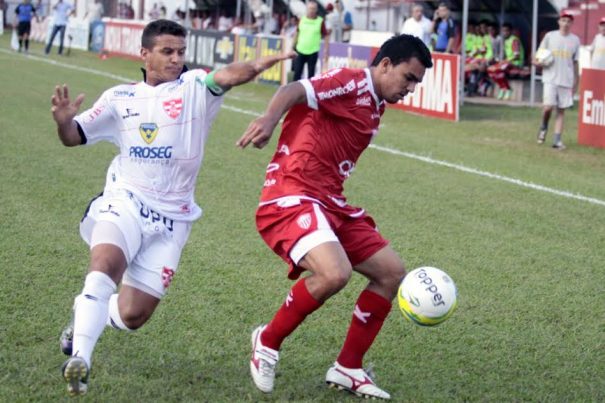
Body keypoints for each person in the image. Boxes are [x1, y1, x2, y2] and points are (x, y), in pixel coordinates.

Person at [52, 19, 294, 396]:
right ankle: (80, 359)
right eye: (167, 52)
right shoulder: (119, 98)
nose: (176, 59)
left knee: (133, 315)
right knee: (104, 267)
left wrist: (262, 64)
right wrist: (64, 122)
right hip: (125, 200)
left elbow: (228, 75)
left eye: (181, 52)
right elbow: (73, 137)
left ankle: (87, 317)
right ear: (144, 53)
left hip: (173, 218)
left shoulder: (196, 87)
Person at [237, 34, 433, 400]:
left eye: (417, 83)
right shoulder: (351, 81)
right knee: (334, 272)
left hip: (329, 201)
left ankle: (348, 367)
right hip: (291, 193)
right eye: (409, 78)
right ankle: (267, 340)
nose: (411, 88)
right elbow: (295, 88)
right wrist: (268, 118)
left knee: (391, 273)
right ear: (386, 64)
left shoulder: (376, 104)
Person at [533, 11, 580, 150]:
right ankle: (544, 126)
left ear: (571, 23)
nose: (565, 23)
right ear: (559, 21)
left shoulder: (575, 40)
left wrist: (576, 81)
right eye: (563, 20)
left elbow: (575, 62)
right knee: (548, 107)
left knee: (561, 111)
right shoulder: (550, 36)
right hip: (550, 78)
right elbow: (539, 55)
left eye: (568, 21)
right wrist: (538, 62)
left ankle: (557, 141)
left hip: (566, 79)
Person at [292, 0, 329, 81]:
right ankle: (294, 92)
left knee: (311, 76)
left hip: (313, 52)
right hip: (300, 50)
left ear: (316, 10)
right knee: (297, 73)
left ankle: (309, 93)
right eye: (310, 8)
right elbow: (297, 32)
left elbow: (326, 35)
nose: (311, 11)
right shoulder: (302, 19)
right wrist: (292, 47)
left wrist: (326, 50)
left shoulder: (320, 21)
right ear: (307, 9)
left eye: (313, 9)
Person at [487, 23, 524, 100]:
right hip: (508, 63)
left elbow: (516, 56)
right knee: (490, 70)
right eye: (503, 31)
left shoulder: (514, 40)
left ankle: (507, 88)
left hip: (516, 63)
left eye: (507, 31)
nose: (505, 33)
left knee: (498, 69)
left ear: (511, 31)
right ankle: (503, 88)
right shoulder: (504, 40)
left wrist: (505, 61)